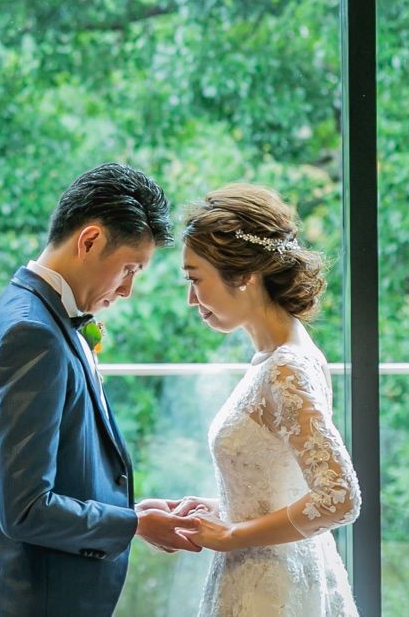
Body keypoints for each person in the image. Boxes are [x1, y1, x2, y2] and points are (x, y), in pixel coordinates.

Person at [0, 162, 202, 617]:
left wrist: (131, 511)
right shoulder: (32, 333)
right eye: (129, 268)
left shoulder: (28, 308)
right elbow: (26, 509)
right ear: (89, 240)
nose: (127, 290)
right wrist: (135, 524)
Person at [147, 183, 360, 617]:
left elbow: (339, 496)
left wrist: (232, 536)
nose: (191, 299)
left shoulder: (286, 367)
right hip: (264, 575)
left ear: (244, 275)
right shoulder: (275, 358)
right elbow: (282, 488)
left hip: (271, 588)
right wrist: (218, 512)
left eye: (195, 279)